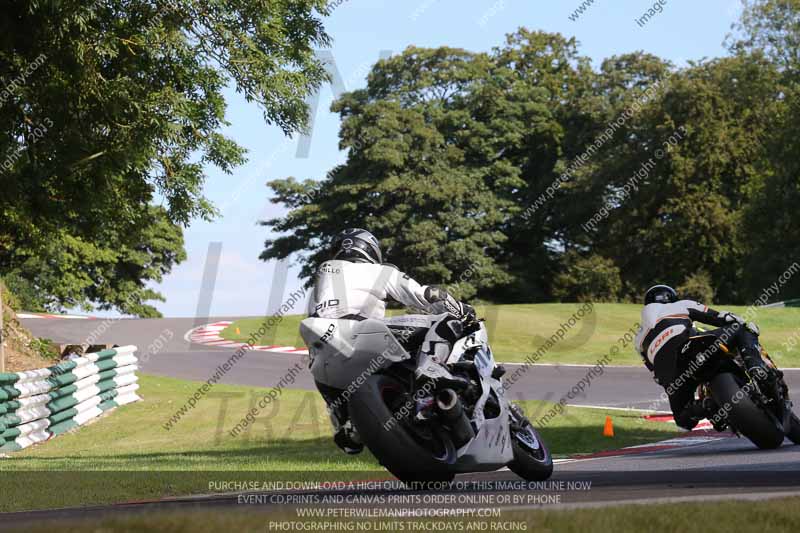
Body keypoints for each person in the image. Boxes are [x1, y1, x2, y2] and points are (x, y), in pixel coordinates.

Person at [307, 228, 474, 453]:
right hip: (362, 332)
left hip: (325, 357)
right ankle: (431, 367)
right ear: (370, 250)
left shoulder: (320, 281)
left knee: (342, 419)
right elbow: (427, 295)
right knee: (447, 320)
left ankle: (346, 425)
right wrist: (460, 308)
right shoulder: (380, 271)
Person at [634, 284, 777, 430]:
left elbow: (653, 371)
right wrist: (734, 318)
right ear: (672, 298)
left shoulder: (637, 340)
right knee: (741, 329)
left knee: (684, 420)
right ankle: (755, 366)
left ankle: (707, 406)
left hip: (671, 375)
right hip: (692, 345)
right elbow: (721, 318)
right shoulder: (681, 305)